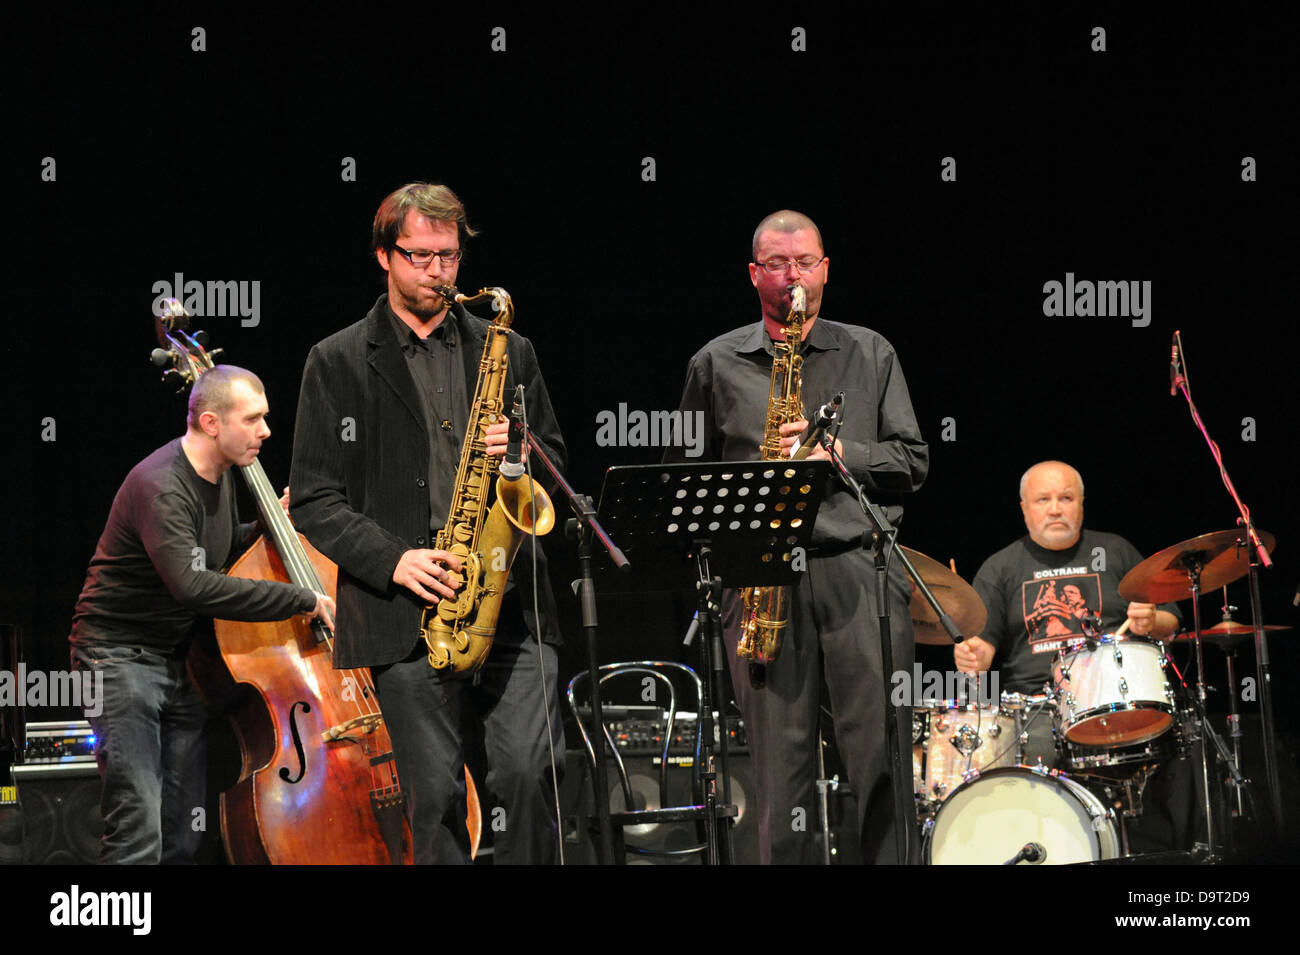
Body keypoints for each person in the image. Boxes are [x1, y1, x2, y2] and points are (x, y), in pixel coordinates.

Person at [289, 182, 567, 865]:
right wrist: (396, 559)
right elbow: (317, 499)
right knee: (434, 797)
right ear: (384, 255)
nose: (439, 272)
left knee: (535, 776)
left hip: (509, 602)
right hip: (405, 609)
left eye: (450, 256)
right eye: (420, 256)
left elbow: (554, 462)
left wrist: (519, 457)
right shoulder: (336, 360)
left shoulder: (510, 348)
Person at [668, 210, 929, 864]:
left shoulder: (869, 351)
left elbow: (913, 462)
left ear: (826, 269)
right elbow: (685, 488)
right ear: (755, 273)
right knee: (779, 782)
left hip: (858, 574)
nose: (793, 276)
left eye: (805, 262)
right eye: (777, 264)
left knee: (882, 765)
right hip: (759, 578)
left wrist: (837, 450)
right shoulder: (715, 362)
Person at [69, 366, 335, 864]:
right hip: (118, 660)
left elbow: (209, 549)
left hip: (179, 661)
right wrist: (300, 598)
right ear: (212, 423)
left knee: (184, 835)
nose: (266, 431)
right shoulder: (162, 486)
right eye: (253, 419)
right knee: (137, 832)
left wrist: (265, 523)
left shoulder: (223, 472)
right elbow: (193, 585)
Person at [955, 460, 1193, 851]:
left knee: (1183, 744)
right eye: (1043, 499)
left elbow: (1172, 621)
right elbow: (982, 648)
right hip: (1037, 714)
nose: (1055, 508)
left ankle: (1181, 858)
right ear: (1024, 508)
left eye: (1066, 498)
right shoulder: (1000, 567)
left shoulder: (1115, 550)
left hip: (1118, 702)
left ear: (1081, 503)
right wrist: (971, 657)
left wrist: (1153, 620)